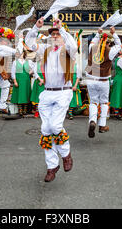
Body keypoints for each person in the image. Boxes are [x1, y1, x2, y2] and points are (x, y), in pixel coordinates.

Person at [25, 17, 77, 182]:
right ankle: (51, 166)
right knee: (46, 130)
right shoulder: (46, 50)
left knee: (55, 125)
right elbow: (30, 44)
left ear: (62, 35)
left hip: (63, 92)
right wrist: (35, 27)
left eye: (57, 34)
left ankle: (66, 154)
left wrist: (61, 29)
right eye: (52, 34)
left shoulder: (68, 50)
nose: (54, 36)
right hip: (47, 93)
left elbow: (73, 45)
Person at [85, 27, 121, 137]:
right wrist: (114, 34)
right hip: (103, 80)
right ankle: (102, 125)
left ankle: (93, 121)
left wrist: (98, 33)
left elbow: (92, 41)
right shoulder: (110, 51)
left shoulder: (92, 47)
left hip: (91, 78)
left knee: (93, 102)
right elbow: (119, 45)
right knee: (104, 102)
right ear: (108, 42)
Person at [11, 49, 33, 116]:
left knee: (26, 94)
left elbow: (34, 68)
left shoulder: (28, 61)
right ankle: (20, 110)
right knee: (19, 94)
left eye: (22, 53)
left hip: (26, 80)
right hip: (19, 80)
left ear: (24, 53)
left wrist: (30, 72)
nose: (20, 54)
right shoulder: (15, 62)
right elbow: (13, 72)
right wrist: (15, 81)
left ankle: (25, 110)